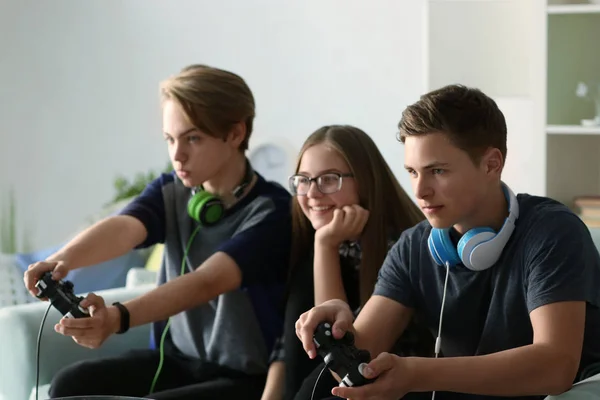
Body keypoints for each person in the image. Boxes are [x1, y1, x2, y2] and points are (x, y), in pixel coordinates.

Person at [295, 84, 600, 400]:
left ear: (491, 164)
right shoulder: (414, 246)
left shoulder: (553, 232)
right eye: (412, 172)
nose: (420, 190)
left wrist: (417, 374)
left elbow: (555, 366)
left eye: (437, 171)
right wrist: (335, 333)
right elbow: (357, 363)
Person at [24, 64, 293, 400]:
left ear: (236, 134)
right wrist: (61, 260)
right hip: (176, 362)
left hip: (242, 378)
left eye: (193, 138)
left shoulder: (273, 211)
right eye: (170, 139)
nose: (177, 155)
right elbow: (124, 228)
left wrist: (117, 318)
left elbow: (208, 280)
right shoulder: (173, 190)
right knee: (70, 384)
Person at [259, 125, 428, 400]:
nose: (312, 193)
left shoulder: (403, 250)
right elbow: (288, 344)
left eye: (328, 179)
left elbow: (342, 353)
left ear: (364, 180)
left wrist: (325, 245)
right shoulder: (316, 239)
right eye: (303, 179)